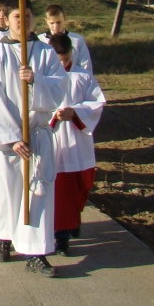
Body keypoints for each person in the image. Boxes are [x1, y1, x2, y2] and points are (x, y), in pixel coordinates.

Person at [0, 0, 67, 277]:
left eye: (27, 15)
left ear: (34, 20)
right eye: (16, 16)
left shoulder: (46, 54)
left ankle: (35, 253)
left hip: (36, 135)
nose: (21, 21)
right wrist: (13, 137)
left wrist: (36, 80)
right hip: (7, 140)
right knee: (5, 193)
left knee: (36, 194)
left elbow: (60, 88)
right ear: (6, 20)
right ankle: (3, 237)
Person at [48, 32, 105, 256]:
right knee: (61, 190)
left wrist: (76, 112)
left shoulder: (83, 76)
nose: (61, 64)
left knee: (81, 184)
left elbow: (96, 102)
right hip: (55, 140)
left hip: (78, 138)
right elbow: (32, 106)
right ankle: (61, 237)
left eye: (65, 59)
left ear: (71, 53)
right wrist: (54, 114)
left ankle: (74, 219)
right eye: (57, 60)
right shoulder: (44, 77)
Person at [41, 4, 94, 76]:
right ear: (46, 21)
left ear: (64, 18)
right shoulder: (40, 41)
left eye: (58, 22)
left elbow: (85, 65)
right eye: (52, 23)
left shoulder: (77, 40)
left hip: (73, 81)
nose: (56, 26)